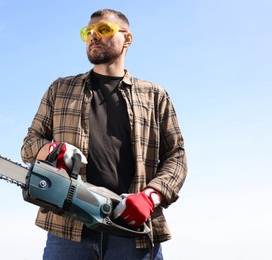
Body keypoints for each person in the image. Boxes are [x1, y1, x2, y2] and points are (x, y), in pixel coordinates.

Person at [21, 9, 187, 260]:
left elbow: (177, 156)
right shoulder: (60, 89)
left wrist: (151, 197)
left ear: (127, 39)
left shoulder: (155, 95)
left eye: (104, 30)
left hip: (132, 233)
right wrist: (51, 150)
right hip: (68, 230)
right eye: (88, 32)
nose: (94, 36)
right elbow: (29, 144)